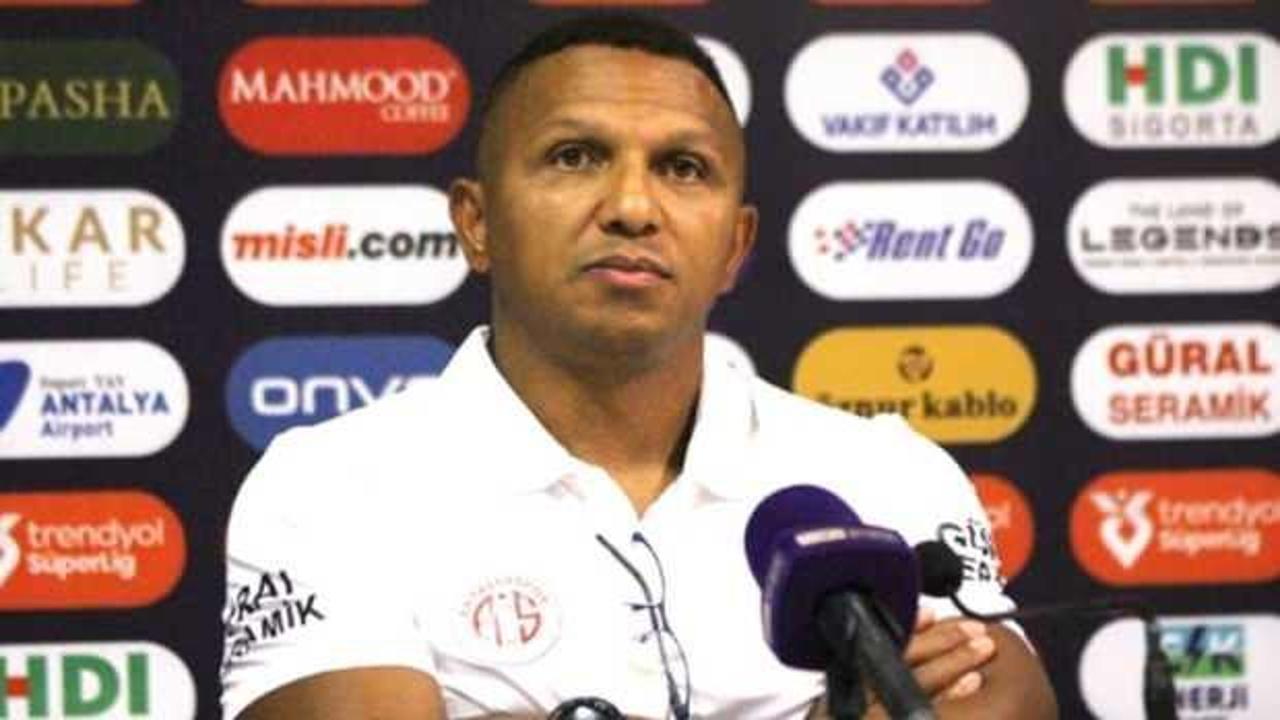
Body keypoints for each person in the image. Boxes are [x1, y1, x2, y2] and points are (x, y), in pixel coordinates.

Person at [220, 12, 1057, 720]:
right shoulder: (328, 488)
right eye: (574, 156)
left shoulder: (885, 472)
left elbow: (1006, 697)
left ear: (734, 247)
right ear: (476, 222)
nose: (630, 207)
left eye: (682, 169)